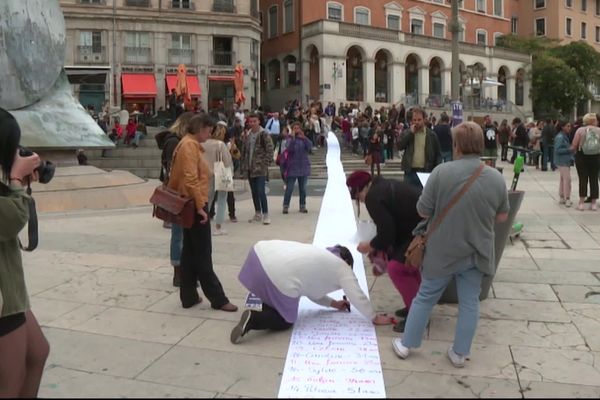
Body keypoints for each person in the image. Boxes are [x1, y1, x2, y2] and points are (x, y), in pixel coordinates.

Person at [392, 121, 509, 368]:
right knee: (470, 301)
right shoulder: (495, 177)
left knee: (425, 297)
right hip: (477, 249)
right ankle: (459, 353)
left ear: (456, 145)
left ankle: (407, 344)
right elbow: (502, 217)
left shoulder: (441, 173)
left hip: (442, 249)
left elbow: (423, 211)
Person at [230, 240, 393, 344]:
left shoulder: (319, 255)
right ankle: (254, 318)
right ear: (347, 262)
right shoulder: (342, 266)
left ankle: (266, 310)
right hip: (277, 274)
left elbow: (310, 291)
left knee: (278, 295)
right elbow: (356, 294)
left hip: (259, 254)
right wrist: (374, 316)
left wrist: (334, 304)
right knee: (286, 320)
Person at [0, 108, 50, 397]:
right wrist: (16, 181)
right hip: (3, 302)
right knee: (9, 383)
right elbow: (8, 221)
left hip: (11, 294)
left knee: (38, 353)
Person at [167, 113, 238, 312]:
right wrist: (200, 207)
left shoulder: (187, 144)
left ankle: (188, 296)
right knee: (203, 253)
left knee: (190, 252)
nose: (210, 134)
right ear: (199, 128)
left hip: (190, 203)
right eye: (208, 130)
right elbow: (190, 179)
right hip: (194, 203)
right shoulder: (189, 146)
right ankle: (218, 297)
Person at [346, 171, 423, 333]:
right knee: (409, 267)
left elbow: (387, 232)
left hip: (420, 229)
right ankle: (417, 305)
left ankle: (418, 316)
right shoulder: (382, 187)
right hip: (417, 226)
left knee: (398, 268)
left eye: (357, 195)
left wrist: (370, 246)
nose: (358, 199)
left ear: (361, 189)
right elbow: (391, 226)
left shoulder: (373, 197)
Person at [156, 112, 195, 287]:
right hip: (177, 192)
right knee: (178, 234)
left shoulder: (175, 141)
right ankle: (178, 272)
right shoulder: (174, 143)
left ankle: (183, 271)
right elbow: (174, 170)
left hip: (179, 190)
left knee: (182, 234)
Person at [241, 113, 274, 225]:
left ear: (259, 121)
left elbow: (270, 149)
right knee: (254, 192)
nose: (252, 123)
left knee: (261, 191)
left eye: (254, 121)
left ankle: (266, 214)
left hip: (260, 168)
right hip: (250, 167)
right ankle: (257, 213)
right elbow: (245, 151)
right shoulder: (248, 134)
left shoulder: (263, 134)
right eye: (251, 121)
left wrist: (266, 163)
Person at [397, 107, 442, 188]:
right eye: (414, 120)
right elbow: (399, 146)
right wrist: (410, 134)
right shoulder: (407, 132)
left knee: (424, 197)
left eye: (419, 120)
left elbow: (438, 154)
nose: (416, 122)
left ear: (424, 120)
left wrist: (436, 171)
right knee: (408, 197)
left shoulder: (431, 135)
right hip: (410, 172)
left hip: (425, 171)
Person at [203, 120, 233, 236]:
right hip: (222, 171)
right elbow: (227, 161)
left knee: (207, 198)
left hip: (207, 171)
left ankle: (204, 222)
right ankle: (218, 226)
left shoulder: (203, 143)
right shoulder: (221, 145)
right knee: (222, 199)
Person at [570, 113, 600, 211]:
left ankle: (581, 203)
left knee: (583, 179)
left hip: (582, 156)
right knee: (594, 179)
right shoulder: (599, 131)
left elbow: (574, 144)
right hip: (596, 157)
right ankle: (594, 203)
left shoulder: (580, 130)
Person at [282, 122, 312, 214]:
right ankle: (285, 206)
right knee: (289, 188)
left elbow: (310, 147)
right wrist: (293, 138)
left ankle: (302, 206)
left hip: (303, 166)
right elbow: (289, 148)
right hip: (292, 167)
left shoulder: (304, 139)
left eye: (298, 128)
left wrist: (305, 138)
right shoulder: (289, 139)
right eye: (294, 128)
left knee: (303, 188)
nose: (296, 130)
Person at [554, 120, 574, 207]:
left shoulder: (564, 136)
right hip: (562, 161)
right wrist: (569, 149)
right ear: (562, 127)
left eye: (570, 126)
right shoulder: (560, 137)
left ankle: (562, 197)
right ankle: (567, 198)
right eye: (567, 126)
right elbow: (557, 150)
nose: (569, 128)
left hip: (564, 160)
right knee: (567, 180)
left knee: (563, 179)